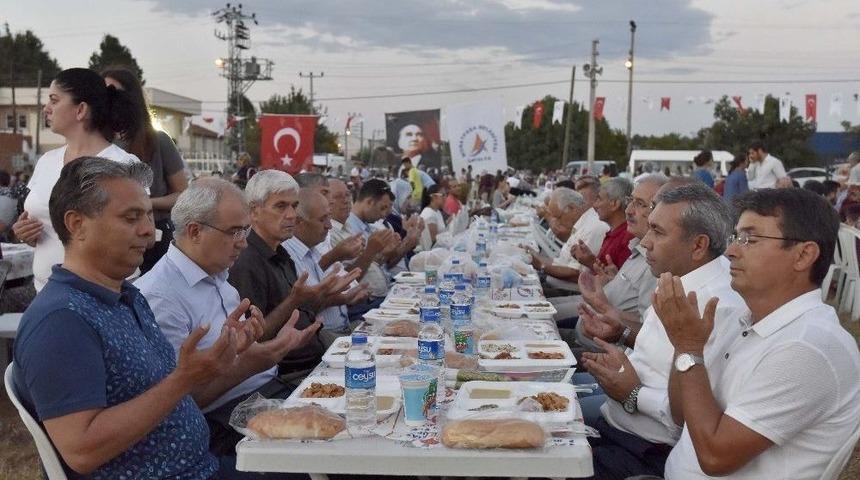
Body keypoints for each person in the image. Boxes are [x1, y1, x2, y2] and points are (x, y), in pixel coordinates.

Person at [12, 157, 223, 478]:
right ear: (76, 224)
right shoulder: (61, 320)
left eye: (149, 216)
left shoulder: (126, 295)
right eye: (130, 217)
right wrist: (183, 379)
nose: (148, 230)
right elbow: (81, 450)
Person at [657, 188, 860, 479]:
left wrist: (689, 347)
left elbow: (715, 457)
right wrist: (684, 345)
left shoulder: (809, 347)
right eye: (734, 237)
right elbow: (680, 415)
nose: (730, 251)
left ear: (803, 255)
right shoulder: (737, 318)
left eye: (749, 239)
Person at [135, 178, 322, 456]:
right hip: (221, 425)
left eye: (245, 231)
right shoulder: (160, 297)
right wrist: (251, 362)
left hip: (264, 396)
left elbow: (235, 357)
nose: (243, 244)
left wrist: (269, 345)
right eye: (234, 232)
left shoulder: (217, 274)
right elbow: (179, 402)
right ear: (195, 231)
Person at [580, 182, 748, 479]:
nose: (645, 242)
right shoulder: (679, 278)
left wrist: (633, 394)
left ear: (698, 246)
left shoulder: (715, 307)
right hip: (618, 425)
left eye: (657, 232)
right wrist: (621, 333)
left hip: (643, 450)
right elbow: (658, 355)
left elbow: (690, 419)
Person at [12, 67, 141, 292]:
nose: (46, 108)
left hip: (102, 294)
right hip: (46, 290)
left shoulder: (123, 165)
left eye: (54, 100)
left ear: (80, 110)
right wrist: (26, 232)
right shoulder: (46, 161)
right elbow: (41, 222)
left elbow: (139, 234)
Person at [228, 170, 361, 375]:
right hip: (288, 374)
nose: (292, 215)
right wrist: (296, 300)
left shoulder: (280, 252)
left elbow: (300, 312)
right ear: (254, 211)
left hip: (315, 357)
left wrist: (322, 296)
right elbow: (253, 339)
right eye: (281, 206)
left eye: (294, 206)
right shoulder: (246, 261)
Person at [102, 67, 188, 274]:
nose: (107, 98)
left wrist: (145, 204)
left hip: (154, 237)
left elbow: (183, 194)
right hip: (111, 240)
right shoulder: (96, 142)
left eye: (114, 91)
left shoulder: (157, 141)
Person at [285, 188, 370, 346]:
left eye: (329, 218)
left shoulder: (313, 249)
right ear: (299, 222)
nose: (329, 226)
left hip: (341, 328)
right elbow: (301, 312)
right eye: (322, 219)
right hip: (319, 337)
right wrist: (337, 297)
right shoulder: (288, 255)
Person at [528, 187, 609, 289]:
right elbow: (561, 262)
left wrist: (541, 265)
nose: (556, 222)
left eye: (558, 217)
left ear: (572, 208)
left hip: (567, 290)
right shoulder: (582, 223)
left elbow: (576, 274)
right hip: (556, 282)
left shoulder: (593, 228)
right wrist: (534, 256)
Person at [572, 177, 635, 270]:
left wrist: (591, 262)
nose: (594, 205)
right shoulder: (615, 233)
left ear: (614, 204)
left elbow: (621, 283)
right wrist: (590, 259)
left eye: (599, 199)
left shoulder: (627, 239)